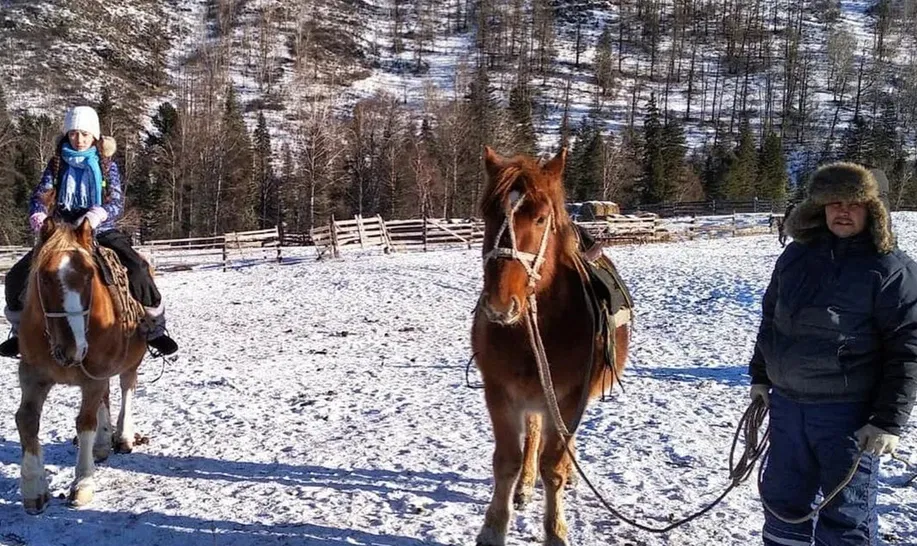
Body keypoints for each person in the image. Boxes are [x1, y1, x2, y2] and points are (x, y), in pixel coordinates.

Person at [748, 162, 917, 545]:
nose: (842, 211)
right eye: (834, 202)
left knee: (845, 518)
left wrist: (888, 421)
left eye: (854, 203)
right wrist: (760, 375)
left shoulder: (891, 270)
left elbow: (908, 350)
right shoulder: (795, 257)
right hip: (788, 408)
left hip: (848, 417)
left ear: (873, 210)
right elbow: (772, 319)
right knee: (782, 507)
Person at [0, 106, 178, 358]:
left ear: (94, 136)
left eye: (84, 134)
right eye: (73, 134)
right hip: (61, 232)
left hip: (100, 229)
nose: (79, 139)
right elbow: (40, 195)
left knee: (137, 268)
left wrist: (94, 217)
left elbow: (115, 201)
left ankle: (154, 329)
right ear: (66, 135)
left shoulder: (107, 166)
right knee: (17, 276)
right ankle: (20, 333)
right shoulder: (56, 164)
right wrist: (39, 214)